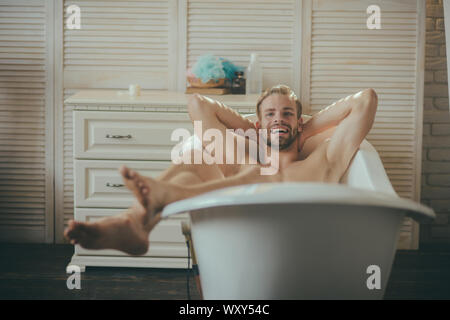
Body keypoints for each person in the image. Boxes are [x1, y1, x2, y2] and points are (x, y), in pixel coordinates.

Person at [64, 85, 378, 255]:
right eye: (270, 114)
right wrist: (257, 131)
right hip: (239, 232)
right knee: (193, 163)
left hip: (305, 240)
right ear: (257, 124)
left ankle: (160, 200)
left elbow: (365, 99)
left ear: (300, 121)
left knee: (252, 175)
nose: (278, 119)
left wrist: (306, 127)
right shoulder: (242, 154)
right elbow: (199, 104)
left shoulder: (324, 159)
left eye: (287, 114)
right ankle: (132, 223)